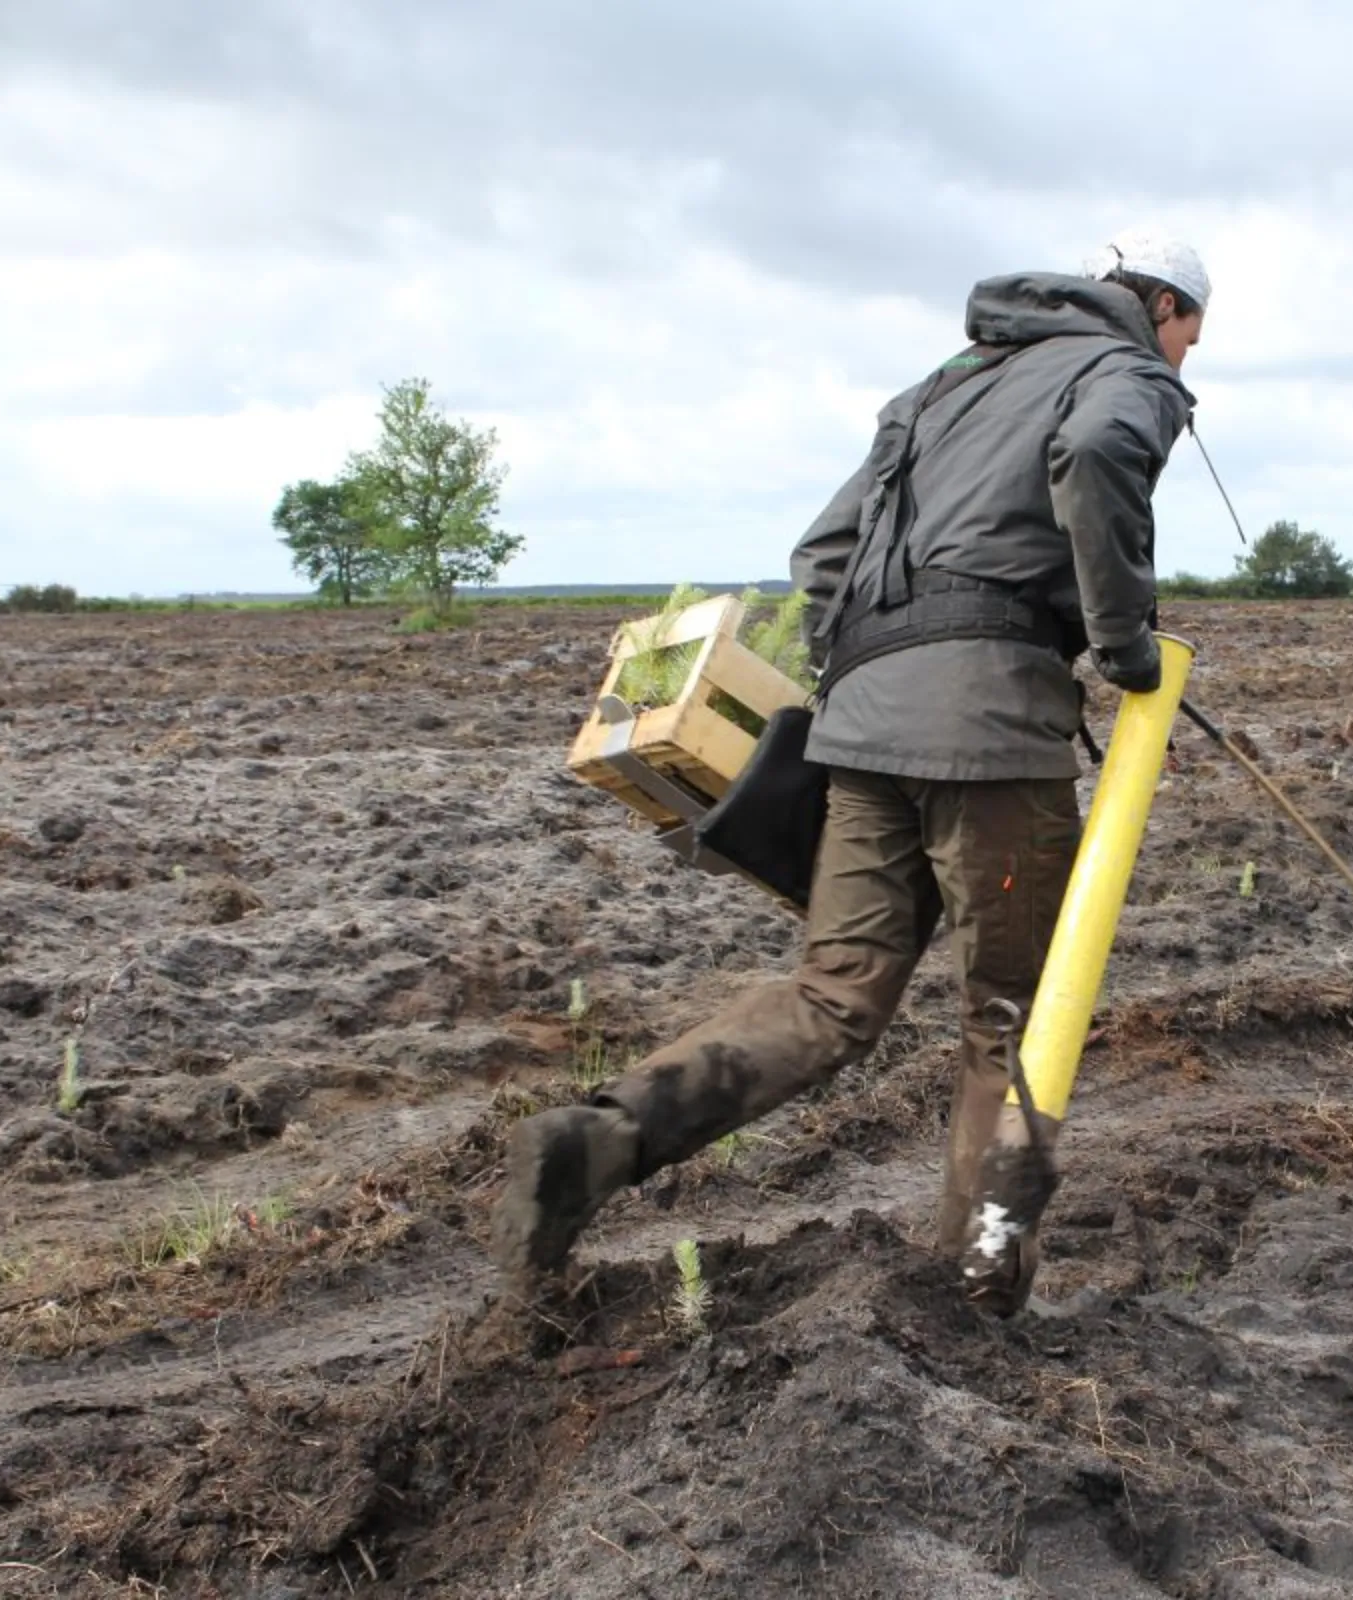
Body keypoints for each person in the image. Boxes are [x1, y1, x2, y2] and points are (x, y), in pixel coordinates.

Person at [493, 229, 1210, 1315]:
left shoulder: (935, 389)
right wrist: (1123, 645)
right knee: (1010, 1018)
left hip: (861, 728)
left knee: (831, 997)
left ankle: (597, 1138)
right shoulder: (1125, 374)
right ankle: (976, 1292)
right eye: (1190, 338)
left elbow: (824, 554)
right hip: (993, 734)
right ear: (1162, 307)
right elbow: (1104, 454)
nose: (1185, 362)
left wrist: (863, 672)